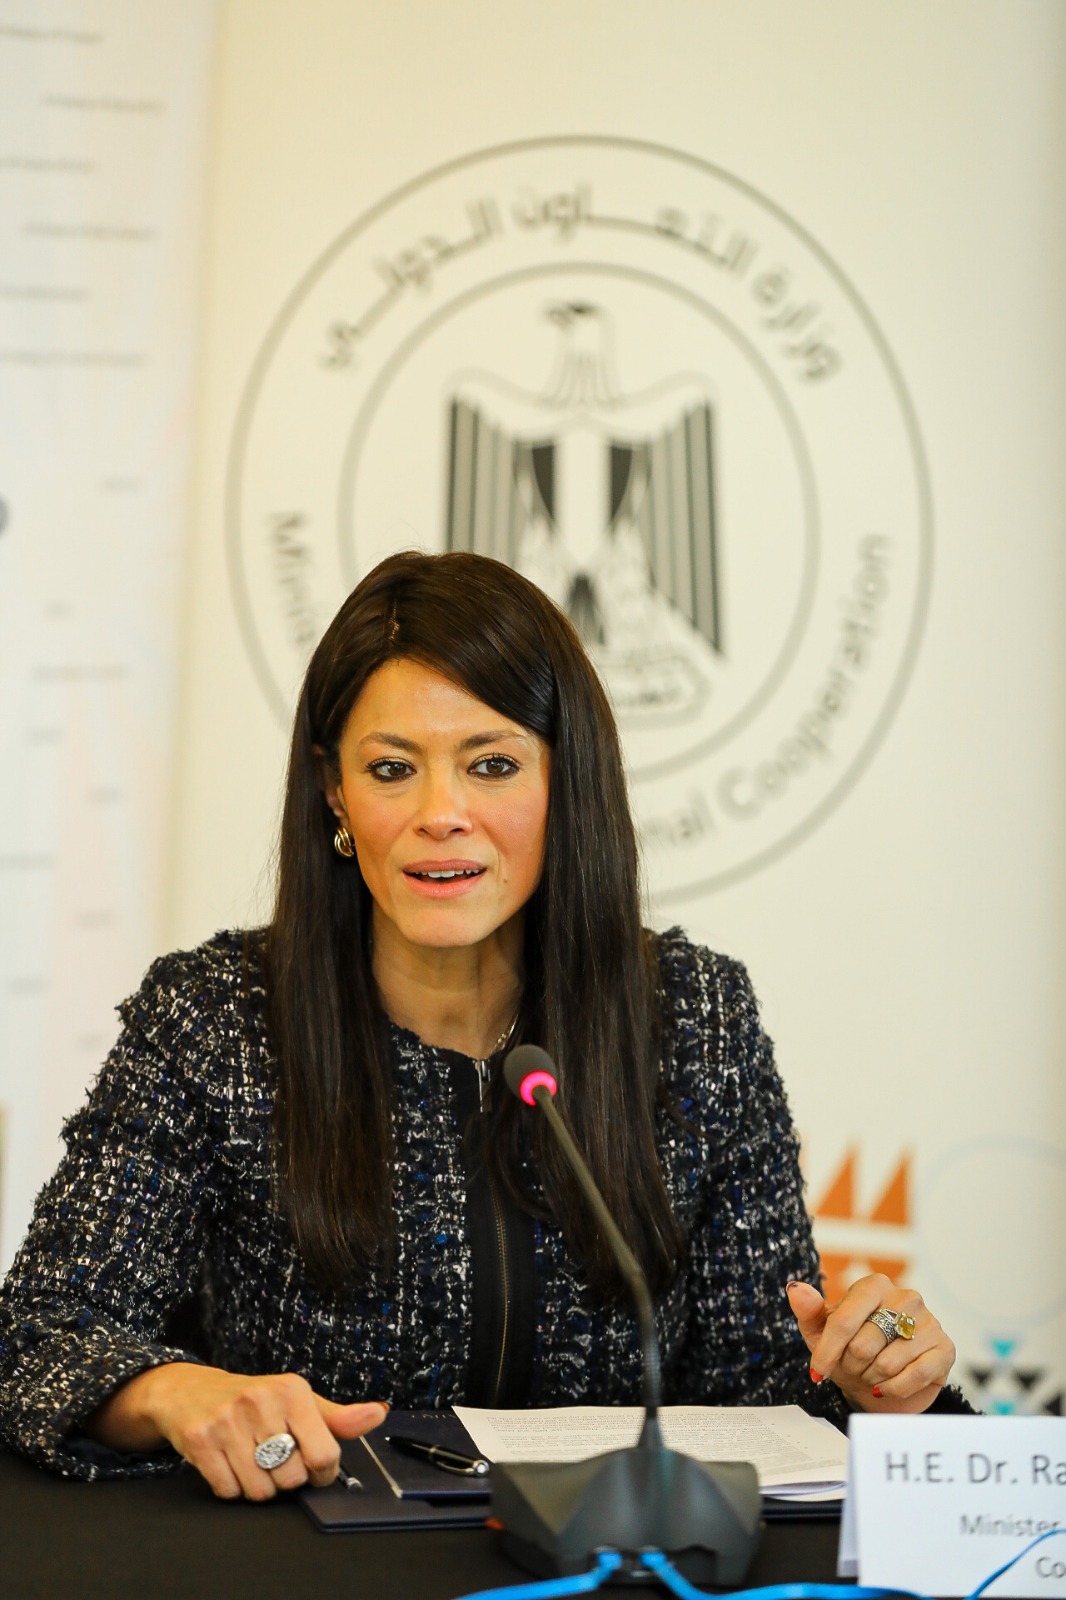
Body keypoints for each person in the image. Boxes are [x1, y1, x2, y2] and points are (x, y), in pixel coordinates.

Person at [0, 551, 966, 1501]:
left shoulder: (696, 1018)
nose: (441, 814)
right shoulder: (214, 1018)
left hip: (611, 1562)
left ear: (565, 781)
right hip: (310, 1560)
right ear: (335, 791)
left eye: (492, 765)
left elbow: (767, 1395)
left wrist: (874, 1382)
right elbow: (42, 1334)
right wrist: (174, 1392)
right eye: (391, 769)